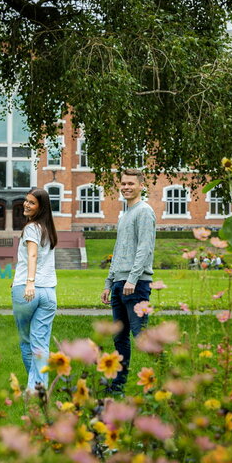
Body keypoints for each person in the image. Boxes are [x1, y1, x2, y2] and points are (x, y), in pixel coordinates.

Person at [100, 168, 156, 395]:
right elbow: (118, 250)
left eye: (130, 183)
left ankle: (158, 384)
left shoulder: (144, 211)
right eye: (123, 183)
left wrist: (132, 278)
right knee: (120, 339)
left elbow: (145, 248)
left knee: (142, 337)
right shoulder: (125, 214)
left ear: (141, 186)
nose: (126, 187)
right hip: (119, 283)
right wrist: (108, 283)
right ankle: (118, 387)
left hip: (136, 284)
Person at [11, 188, 59, 392]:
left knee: (26, 341)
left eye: (31, 202)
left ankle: (33, 389)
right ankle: (38, 389)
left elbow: (32, 256)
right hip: (49, 292)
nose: (26, 204)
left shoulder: (31, 228)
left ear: (41, 207)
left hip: (29, 291)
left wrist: (29, 282)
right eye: (26, 200)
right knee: (41, 345)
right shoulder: (48, 229)